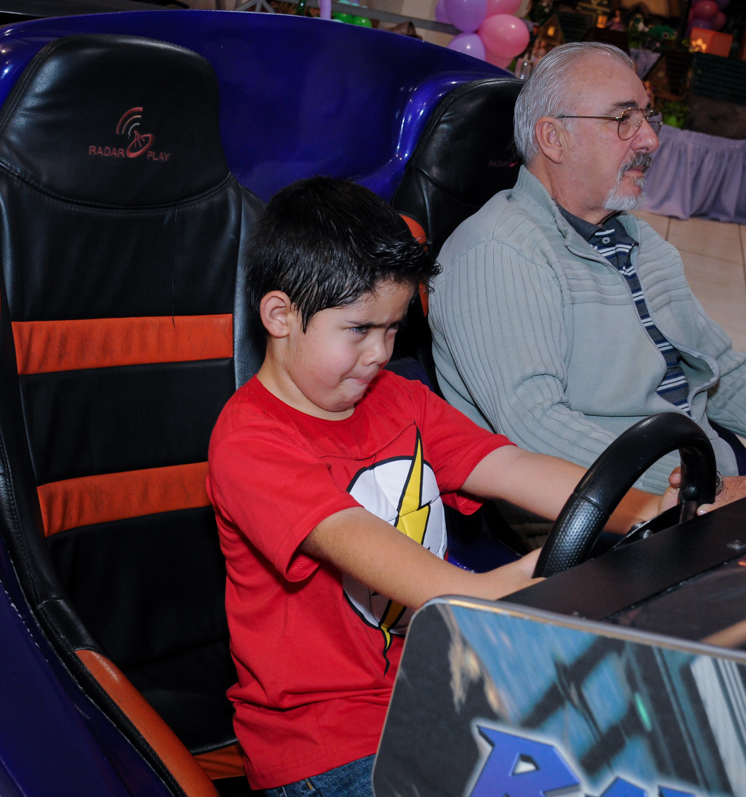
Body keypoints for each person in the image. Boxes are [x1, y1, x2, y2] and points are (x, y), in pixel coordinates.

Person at [206, 177, 679, 795]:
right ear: (280, 316)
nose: (380, 353)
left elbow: (511, 468)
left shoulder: (397, 399)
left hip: (440, 693)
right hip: (328, 744)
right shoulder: (250, 442)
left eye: (393, 329)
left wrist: (648, 509)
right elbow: (398, 564)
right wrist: (529, 575)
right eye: (359, 329)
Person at [428, 42, 746, 500]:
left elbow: (724, 376)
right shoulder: (500, 252)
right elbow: (535, 428)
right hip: (599, 513)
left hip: (689, 483)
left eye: (646, 117)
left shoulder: (635, 239)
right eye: (623, 119)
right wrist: (714, 491)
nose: (650, 140)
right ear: (553, 138)